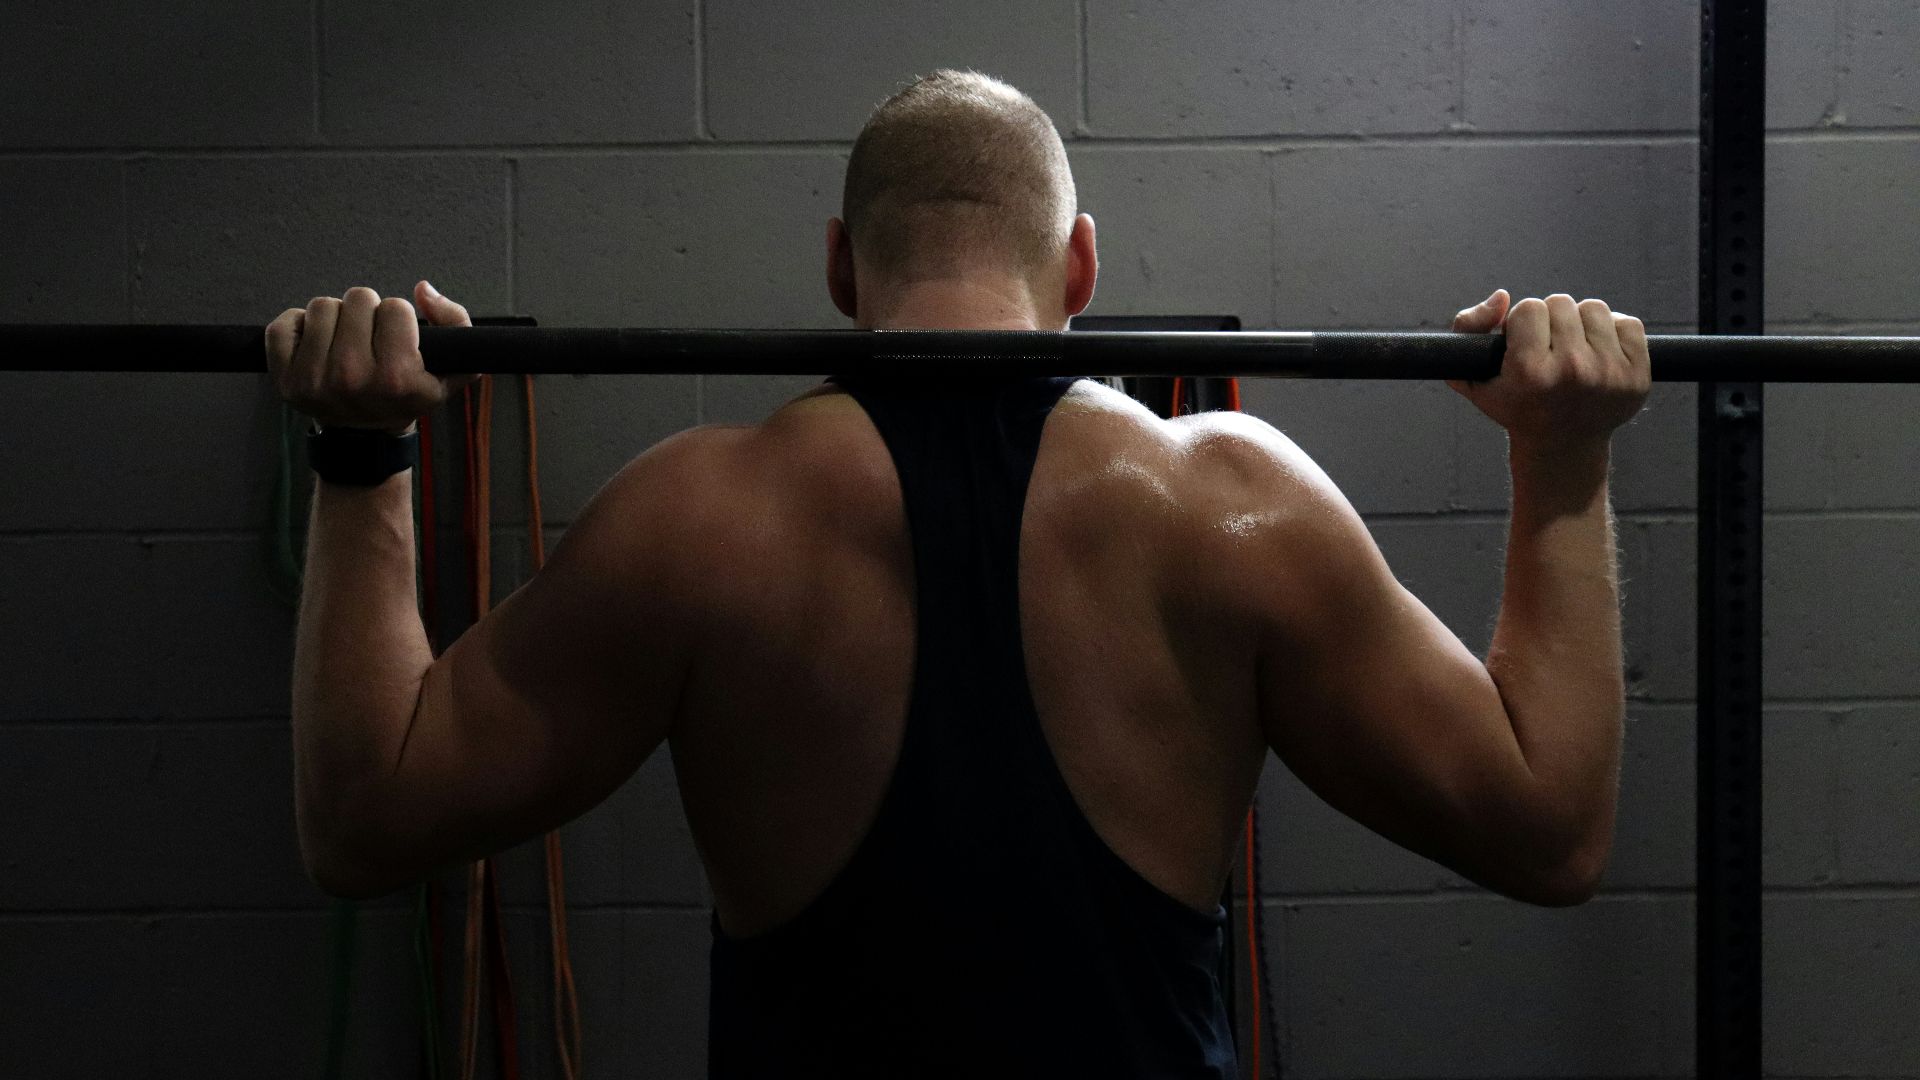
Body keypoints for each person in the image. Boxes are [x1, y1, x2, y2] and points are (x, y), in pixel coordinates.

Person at [266, 69, 1650, 1078]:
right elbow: (1547, 827)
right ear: (1083, 264)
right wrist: (1564, 455)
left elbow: (365, 818)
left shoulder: (701, 519)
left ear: (839, 272)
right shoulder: (1235, 502)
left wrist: (361, 449)